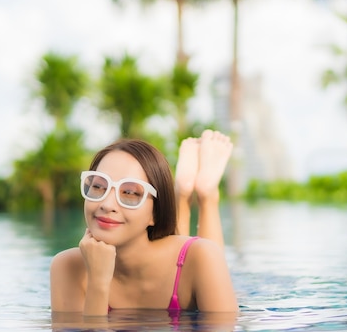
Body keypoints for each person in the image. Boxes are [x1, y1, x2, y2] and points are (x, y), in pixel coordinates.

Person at [50, 129, 237, 316]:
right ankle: (183, 193)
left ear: (155, 213)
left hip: (190, 262)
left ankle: (206, 194)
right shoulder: (67, 267)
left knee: (207, 256)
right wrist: (98, 281)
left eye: (130, 193)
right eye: (98, 186)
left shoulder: (202, 256)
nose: (107, 204)